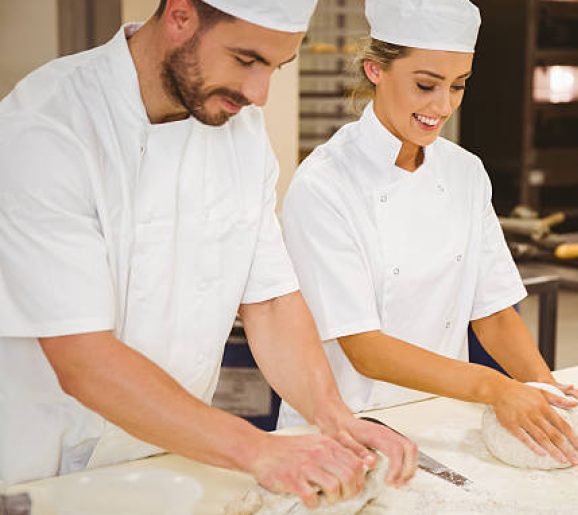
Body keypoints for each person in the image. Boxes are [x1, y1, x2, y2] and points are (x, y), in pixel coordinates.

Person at [0, 0, 417, 506]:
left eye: (275, 68)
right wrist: (258, 450)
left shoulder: (238, 130)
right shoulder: (46, 128)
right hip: (40, 474)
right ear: (179, 16)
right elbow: (82, 358)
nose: (259, 94)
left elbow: (271, 302)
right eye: (246, 60)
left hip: (170, 457)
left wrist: (336, 418)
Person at [278, 0, 578, 466]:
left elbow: (492, 311)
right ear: (375, 69)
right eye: (425, 85)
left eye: (458, 86)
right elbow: (364, 349)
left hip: (438, 421)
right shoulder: (325, 185)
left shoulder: (464, 171)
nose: (443, 106)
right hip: (343, 430)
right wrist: (494, 387)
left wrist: (548, 392)